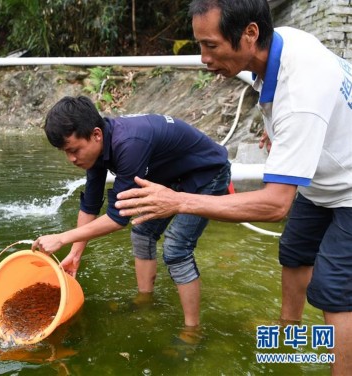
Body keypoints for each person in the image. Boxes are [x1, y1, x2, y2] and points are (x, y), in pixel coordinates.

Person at [114, 0, 352, 374]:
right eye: (200, 46)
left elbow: (275, 206)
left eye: (210, 45)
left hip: (349, 190)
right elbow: (306, 108)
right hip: (324, 177)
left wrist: (178, 201)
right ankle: (289, 339)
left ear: (250, 33)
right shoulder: (283, 44)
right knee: (293, 251)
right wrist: (285, 137)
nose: (203, 58)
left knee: (334, 293)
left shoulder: (301, 91)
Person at [32, 95, 231, 345]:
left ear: (95, 135)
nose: (71, 159)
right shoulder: (97, 150)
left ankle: (192, 331)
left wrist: (62, 237)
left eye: (73, 150)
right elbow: (90, 205)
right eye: (65, 152)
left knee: (176, 248)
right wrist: (75, 253)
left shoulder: (129, 144)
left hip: (207, 174)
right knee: (143, 232)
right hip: (171, 176)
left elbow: (118, 218)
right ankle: (145, 300)